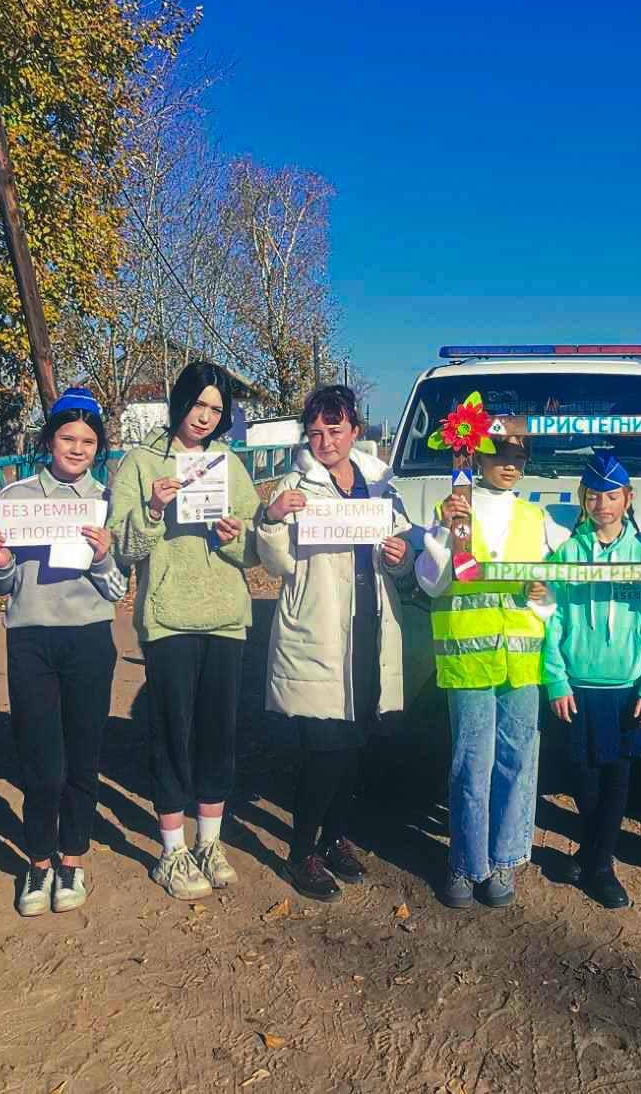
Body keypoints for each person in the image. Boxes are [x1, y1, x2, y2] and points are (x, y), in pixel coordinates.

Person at [256, 385, 416, 902]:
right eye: (316, 432)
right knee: (323, 748)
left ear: (356, 430)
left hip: (368, 624)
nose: (325, 441)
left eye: (335, 430)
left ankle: (335, 837)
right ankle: (301, 851)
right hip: (320, 627)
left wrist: (400, 556)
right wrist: (273, 518)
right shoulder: (296, 485)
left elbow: (403, 549)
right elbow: (277, 563)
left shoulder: (379, 484)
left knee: (355, 746)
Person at [109, 361, 261, 901]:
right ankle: (171, 850)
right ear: (180, 402)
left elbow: (253, 546)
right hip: (167, 615)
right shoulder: (140, 463)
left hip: (225, 615)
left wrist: (234, 535)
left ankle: (209, 842)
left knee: (218, 734)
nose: (206, 417)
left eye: (216, 410)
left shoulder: (229, 465)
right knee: (171, 733)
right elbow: (122, 547)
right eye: (199, 405)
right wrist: (152, 507)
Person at [0, 386, 127, 916]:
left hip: (89, 639)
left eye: (88, 441)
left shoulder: (106, 502)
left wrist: (104, 557)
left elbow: (116, 592)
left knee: (83, 759)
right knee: (41, 763)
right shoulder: (17, 498)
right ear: (50, 440)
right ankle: (38, 861)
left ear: (98, 448)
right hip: (31, 640)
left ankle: (73, 859)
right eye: (68, 437)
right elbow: (0, 585)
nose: (77, 448)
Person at [416, 433, 564, 911]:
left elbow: (555, 585)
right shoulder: (454, 512)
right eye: (502, 453)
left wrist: (546, 601)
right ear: (477, 455)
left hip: (521, 659)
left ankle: (504, 859)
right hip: (469, 660)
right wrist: (440, 534)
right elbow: (432, 582)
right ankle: (465, 862)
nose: (511, 464)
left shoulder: (535, 518)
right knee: (470, 762)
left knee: (517, 760)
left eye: (519, 456)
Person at [541, 451, 641, 910]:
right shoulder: (566, 554)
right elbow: (550, 622)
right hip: (578, 686)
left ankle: (600, 864)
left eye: (612, 495)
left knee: (618, 775)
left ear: (628, 498)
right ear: (582, 499)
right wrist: (556, 679)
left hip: (626, 689)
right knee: (583, 775)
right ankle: (594, 851)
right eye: (593, 495)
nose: (603, 504)